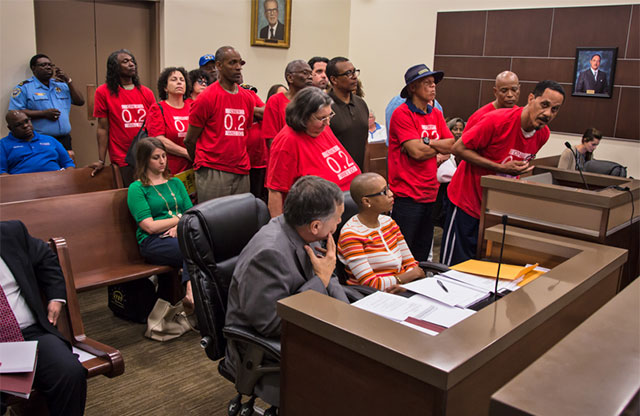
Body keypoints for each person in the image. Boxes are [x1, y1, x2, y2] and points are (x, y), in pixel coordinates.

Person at [225, 175, 349, 407]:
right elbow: (271, 323)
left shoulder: (301, 228)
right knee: (351, 379)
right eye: (338, 217)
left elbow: (327, 274)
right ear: (316, 225)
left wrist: (349, 316)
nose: (339, 222)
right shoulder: (269, 253)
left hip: (302, 324)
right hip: (262, 348)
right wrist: (320, 280)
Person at [441, 80, 565, 266]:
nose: (547, 114)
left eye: (554, 109)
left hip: (495, 209)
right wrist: (499, 167)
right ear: (531, 99)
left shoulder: (543, 134)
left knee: (480, 267)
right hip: (467, 202)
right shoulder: (497, 120)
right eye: (544, 105)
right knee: (453, 268)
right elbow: (458, 149)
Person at [0, 220, 87, 416]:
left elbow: (46, 258)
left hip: (30, 333)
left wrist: (56, 297)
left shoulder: (11, 232)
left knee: (69, 372)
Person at [387, 64, 454, 262]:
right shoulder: (402, 114)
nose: (433, 87)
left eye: (434, 84)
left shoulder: (436, 114)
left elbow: (451, 144)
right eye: (427, 83)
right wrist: (435, 146)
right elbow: (416, 152)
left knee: (423, 251)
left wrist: (426, 142)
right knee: (404, 252)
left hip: (430, 192)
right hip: (407, 194)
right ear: (412, 88)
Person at [266, 87, 361, 217]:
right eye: (321, 118)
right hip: (319, 215)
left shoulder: (322, 129)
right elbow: (275, 191)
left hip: (348, 202)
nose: (327, 123)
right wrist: (278, 230)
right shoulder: (287, 142)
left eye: (330, 115)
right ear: (303, 116)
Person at [126, 137, 194, 311]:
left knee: (202, 245)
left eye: (164, 156)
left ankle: (192, 293)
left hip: (179, 235)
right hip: (152, 241)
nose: (162, 161)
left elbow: (191, 213)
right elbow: (149, 226)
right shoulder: (137, 188)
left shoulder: (175, 182)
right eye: (156, 157)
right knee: (193, 247)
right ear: (144, 160)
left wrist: (178, 227)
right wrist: (179, 221)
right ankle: (192, 294)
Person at [184, 46, 256, 202]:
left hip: (241, 169)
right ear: (219, 66)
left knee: (240, 220)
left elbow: (244, 133)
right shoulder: (207, 97)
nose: (238, 67)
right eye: (232, 63)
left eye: (240, 63)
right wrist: (201, 164)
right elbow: (189, 140)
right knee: (212, 221)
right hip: (213, 170)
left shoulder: (248, 98)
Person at [338, 173, 425, 292]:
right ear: (366, 201)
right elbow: (370, 283)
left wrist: (404, 285)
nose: (391, 194)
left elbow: (410, 263)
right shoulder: (351, 234)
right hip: (374, 296)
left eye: (388, 188)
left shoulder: (389, 222)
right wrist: (405, 278)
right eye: (384, 192)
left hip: (403, 288)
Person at [90, 49, 156, 185]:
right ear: (114, 67)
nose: (131, 64)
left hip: (146, 154)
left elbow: (154, 126)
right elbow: (103, 128)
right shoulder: (103, 92)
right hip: (123, 157)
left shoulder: (146, 92)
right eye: (125, 61)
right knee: (129, 195)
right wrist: (101, 160)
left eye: (132, 61)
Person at [9, 54, 84, 157]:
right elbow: (15, 113)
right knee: (46, 170)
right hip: (40, 140)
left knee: (67, 170)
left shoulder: (61, 85)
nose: (48, 67)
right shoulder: (24, 88)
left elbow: (80, 101)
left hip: (64, 139)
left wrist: (69, 81)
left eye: (50, 65)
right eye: (43, 65)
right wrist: (43, 114)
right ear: (33, 68)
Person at [146, 67, 192, 175]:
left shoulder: (192, 107)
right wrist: (186, 153)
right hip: (169, 168)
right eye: (174, 79)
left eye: (182, 80)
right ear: (165, 87)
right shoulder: (157, 108)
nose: (179, 82)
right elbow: (158, 139)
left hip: (193, 167)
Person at [326, 57, 369, 169]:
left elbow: (365, 143)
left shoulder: (361, 103)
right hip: (335, 174)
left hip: (359, 174)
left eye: (354, 72)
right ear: (334, 80)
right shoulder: (324, 106)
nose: (354, 76)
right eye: (348, 73)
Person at [1, 110, 75, 175]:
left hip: (55, 182)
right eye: (18, 125)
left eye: (27, 121)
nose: (26, 126)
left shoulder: (50, 140)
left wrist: (67, 177)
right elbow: (1, 172)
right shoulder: (3, 145)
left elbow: (68, 163)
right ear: (10, 128)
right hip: (22, 186)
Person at [262, 60, 313, 147]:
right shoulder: (275, 101)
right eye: (305, 73)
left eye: (311, 73)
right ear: (290, 78)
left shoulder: (312, 100)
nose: (310, 77)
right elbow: (271, 139)